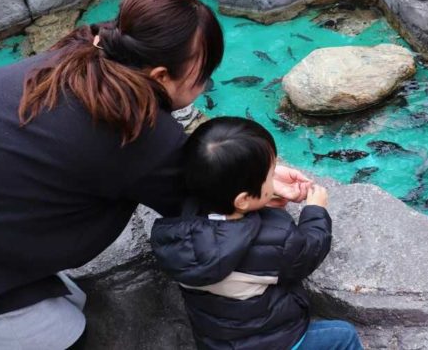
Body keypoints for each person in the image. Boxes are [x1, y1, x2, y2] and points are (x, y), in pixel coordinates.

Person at [0, 0, 312, 349]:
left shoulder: (82, 48)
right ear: (160, 77)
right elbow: (207, 198)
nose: (203, 88)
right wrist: (255, 183)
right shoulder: (136, 131)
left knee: (68, 299)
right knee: (64, 333)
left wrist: (257, 168)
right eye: (201, 79)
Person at [150, 116, 363, 350]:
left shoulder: (173, 234)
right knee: (343, 335)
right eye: (270, 176)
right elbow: (310, 251)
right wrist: (315, 210)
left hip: (216, 343)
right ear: (242, 199)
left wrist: (260, 199)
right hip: (273, 342)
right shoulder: (274, 241)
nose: (273, 180)